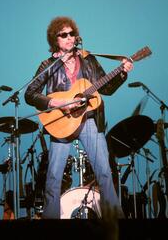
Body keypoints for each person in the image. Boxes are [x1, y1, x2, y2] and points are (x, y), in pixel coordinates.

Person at [24, 16, 133, 219]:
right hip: (61, 123)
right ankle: (51, 223)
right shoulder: (49, 65)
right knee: (53, 177)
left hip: (89, 120)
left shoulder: (88, 59)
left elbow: (107, 88)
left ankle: (118, 221)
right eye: (63, 34)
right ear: (54, 39)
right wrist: (56, 103)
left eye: (71, 34)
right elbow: (30, 94)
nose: (68, 38)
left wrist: (122, 73)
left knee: (104, 173)